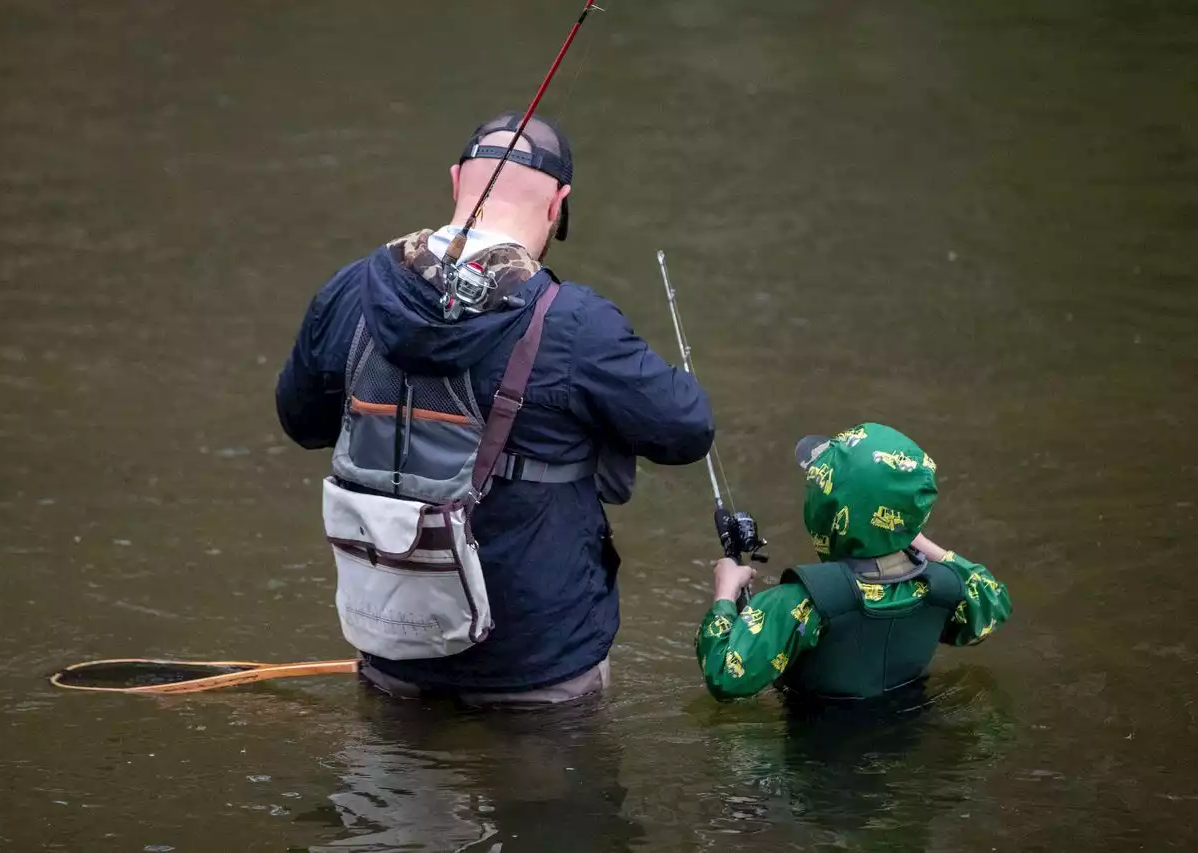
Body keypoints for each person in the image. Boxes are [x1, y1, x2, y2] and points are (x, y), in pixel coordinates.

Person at [276, 111, 714, 706]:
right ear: (559, 204)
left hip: (395, 646)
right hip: (540, 664)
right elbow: (687, 431)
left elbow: (301, 423)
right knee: (548, 800)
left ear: (457, 180)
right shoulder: (576, 323)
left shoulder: (350, 291)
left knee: (388, 795)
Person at [696, 423, 1011, 702]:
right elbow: (993, 603)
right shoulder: (943, 586)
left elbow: (725, 678)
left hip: (816, 762)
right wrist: (906, 534)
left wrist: (725, 593)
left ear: (823, 510)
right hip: (909, 747)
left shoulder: (801, 602)